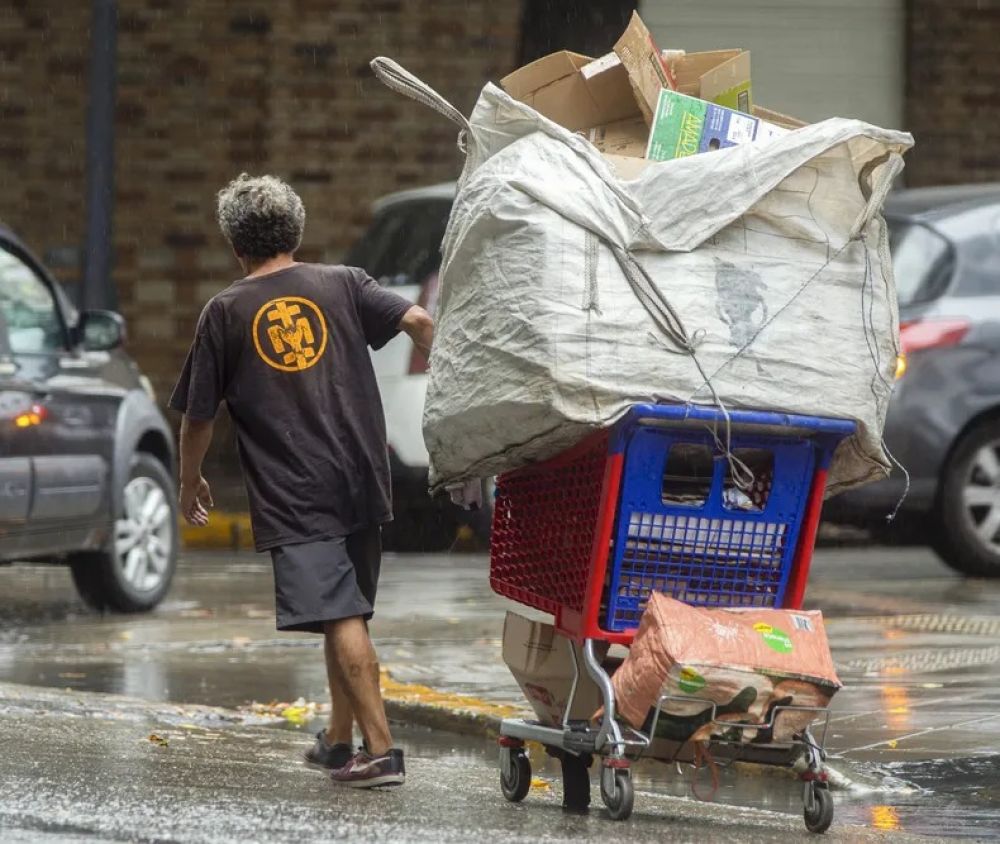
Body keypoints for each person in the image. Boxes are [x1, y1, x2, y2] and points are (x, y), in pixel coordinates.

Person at [170, 173, 434, 788]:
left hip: (297, 488)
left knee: (340, 614)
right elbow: (420, 320)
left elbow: (198, 417)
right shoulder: (343, 282)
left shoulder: (226, 311)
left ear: (235, 244)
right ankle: (339, 741)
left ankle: (382, 750)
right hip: (362, 474)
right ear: (296, 230)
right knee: (346, 609)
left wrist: (189, 481)